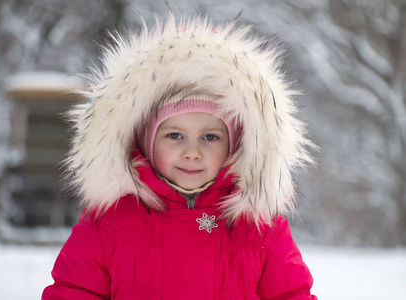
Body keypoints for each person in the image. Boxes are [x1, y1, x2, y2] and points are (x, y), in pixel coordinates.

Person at [42, 12, 318, 300]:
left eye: (210, 137)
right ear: (145, 142)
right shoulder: (110, 221)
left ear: (235, 147)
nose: (192, 152)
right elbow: (75, 291)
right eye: (174, 136)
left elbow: (291, 294)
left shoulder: (259, 228)